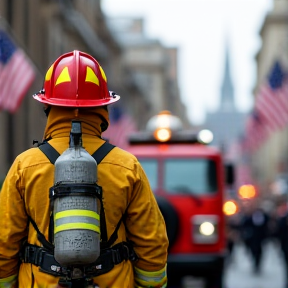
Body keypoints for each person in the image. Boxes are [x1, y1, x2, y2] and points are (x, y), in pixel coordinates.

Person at [0, 50, 168, 288]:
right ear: (102, 108)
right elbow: (153, 244)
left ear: (49, 107)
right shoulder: (127, 167)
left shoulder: (24, 167)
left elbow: (3, 244)